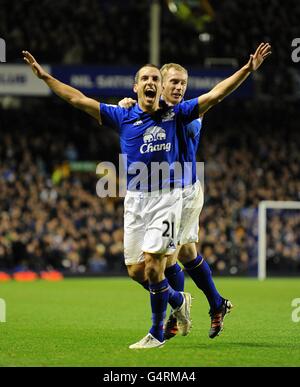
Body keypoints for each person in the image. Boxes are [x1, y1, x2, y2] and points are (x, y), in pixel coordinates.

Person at [23, 52, 198, 349]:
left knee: (155, 264)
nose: (151, 81)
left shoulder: (174, 113)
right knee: (136, 270)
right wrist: (44, 78)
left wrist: (247, 69)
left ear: (162, 86)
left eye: (155, 78)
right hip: (135, 200)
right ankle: (179, 299)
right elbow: (77, 99)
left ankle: (156, 333)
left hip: (168, 197)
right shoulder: (123, 114)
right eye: (145, 78)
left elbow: (217, 95)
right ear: (135, 87)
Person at [118, 43, 272, 339]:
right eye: (173, 82)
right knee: (186, 253)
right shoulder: (153, 110)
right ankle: (214, 304)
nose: (178, 88)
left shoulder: (186, 114)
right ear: (161, 84)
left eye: (183, 84)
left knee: (168, 259)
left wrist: (246, 71)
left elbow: (216, 94)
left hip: (181, 192)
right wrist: (131, 104)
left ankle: (178, 312)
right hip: (169, 190)